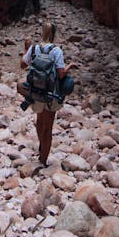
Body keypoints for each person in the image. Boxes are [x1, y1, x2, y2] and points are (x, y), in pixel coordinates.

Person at [20, 19, 73, 166]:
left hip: (35, 92)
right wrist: (69, 66)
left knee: (39, 122)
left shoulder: (34, 48)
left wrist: (26, 48)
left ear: (42, 32)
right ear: (54, 34)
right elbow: (61, 74)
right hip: (51, 94)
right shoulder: (56, 51)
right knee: (48, 127)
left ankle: (41, 147)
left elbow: (22, 65)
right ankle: (43, 159)